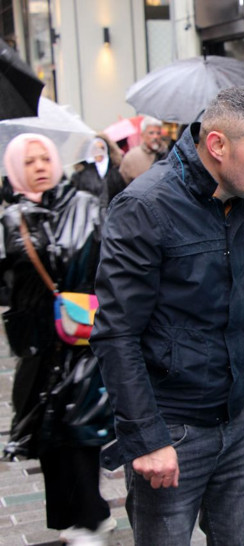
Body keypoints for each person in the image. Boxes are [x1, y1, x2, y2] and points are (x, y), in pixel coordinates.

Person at [90, 87, 244, 545]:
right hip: (170, 427)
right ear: (217, 145)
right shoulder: (145, 206)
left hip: (236, 418)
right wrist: (147, 438)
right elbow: (115, 334)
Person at [1, 133, 116, 544]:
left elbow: (108, 261)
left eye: (44, 158)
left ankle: (90, 518)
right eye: (28, 162)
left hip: (82, 336)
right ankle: (75, 516)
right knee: (49, 433)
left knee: (79, 427)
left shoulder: (84, 205)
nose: (39, 167)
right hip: (37, 343)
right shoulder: (10, 218)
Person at [70, 134, 127, 212]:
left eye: (102, 148)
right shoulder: (80, 175)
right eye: (95, 148)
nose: (99, 152)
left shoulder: (115, 173)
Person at [119, 115, 168, 185]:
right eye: (151, 133)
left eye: (158, 133)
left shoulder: (169, 153)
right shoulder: (132, 156)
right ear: (142, 135)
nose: (155, 136)